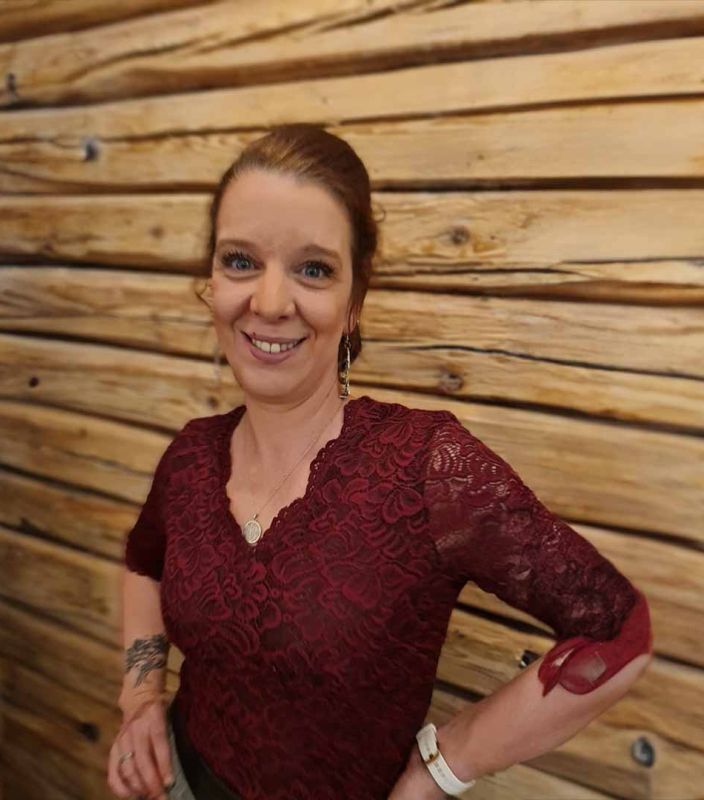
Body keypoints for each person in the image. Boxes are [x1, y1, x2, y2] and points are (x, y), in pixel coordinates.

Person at [108, 124, 653, 800]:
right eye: (240, 260)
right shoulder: (192, 455)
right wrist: (141, 697)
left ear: (354, 301)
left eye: (313, 269)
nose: (269, 303)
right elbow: (143, 561)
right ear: (211, 282)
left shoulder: (425, 469)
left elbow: (621, 631)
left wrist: (441, 765)